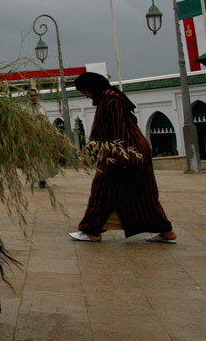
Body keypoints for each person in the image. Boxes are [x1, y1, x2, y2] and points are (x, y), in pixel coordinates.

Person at [69, 72, 176, 244]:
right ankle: (166, 231)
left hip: (125, 153)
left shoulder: (111, 102)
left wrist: (122, 157)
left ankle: (92, 230)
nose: (87, 96)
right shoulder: (110, 100)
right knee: (143, 195)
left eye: (86, 92)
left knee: (103, 190)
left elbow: (119, 130)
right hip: (134, 151)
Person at [25, 88, 55, 189]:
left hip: (43, 137)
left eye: (35, 95)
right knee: (35, 159)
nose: (33, 97)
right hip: (33, 138)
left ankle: (43, 178)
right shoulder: (26, 110)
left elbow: (46, 121)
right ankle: (38, 178)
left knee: (44, 159)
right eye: (31, 96)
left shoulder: (41, 108)